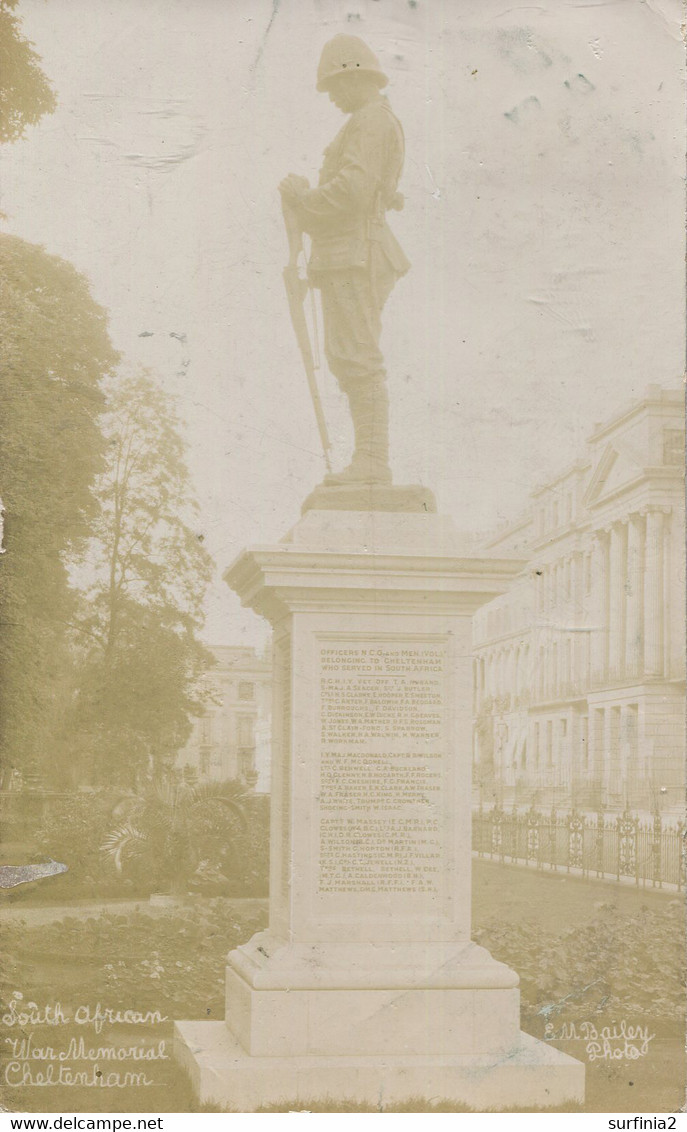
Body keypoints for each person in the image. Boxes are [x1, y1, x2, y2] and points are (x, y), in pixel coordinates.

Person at [279, 34, 410, 486]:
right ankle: (369, 459)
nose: (332, 98)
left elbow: (353, 192)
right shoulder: (369, 120)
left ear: (356, 78)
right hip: (348, 254)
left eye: (334, 87)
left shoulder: (371, 120)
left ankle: (373, 461)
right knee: (348, 354)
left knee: (357, 355)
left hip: (358, 254)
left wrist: (304, 198)